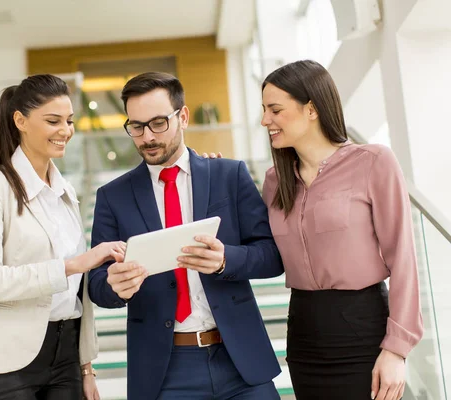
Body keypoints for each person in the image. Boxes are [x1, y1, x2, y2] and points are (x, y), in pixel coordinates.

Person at [88, 72, 285, 400]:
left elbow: (271, 254)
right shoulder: (112, 197)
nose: (147, 137)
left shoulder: (229, 175)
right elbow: (96, 285)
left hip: (240, 361)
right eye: (136, 127)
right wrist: (113, 287)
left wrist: (225, 260)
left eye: (158, 123)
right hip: (165, 371)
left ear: (183, 117)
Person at [260, 60, 423, 400]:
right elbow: (260, 251)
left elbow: (403, 259)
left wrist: (396, 350)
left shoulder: (373, 162)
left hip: (362, 330)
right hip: (303, 333)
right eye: (264, 110)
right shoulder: (275, 182)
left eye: (275, 110)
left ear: (311, 109)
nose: (265, 121)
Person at [0, 74, 126, 400]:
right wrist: (72, 265)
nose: (66, 131)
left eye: (70, 121)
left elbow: (78, 295)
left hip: (66, 358)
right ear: (20, 120)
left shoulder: (65, 191)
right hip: (3, 364)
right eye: (53, 121)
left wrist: (86, 366)